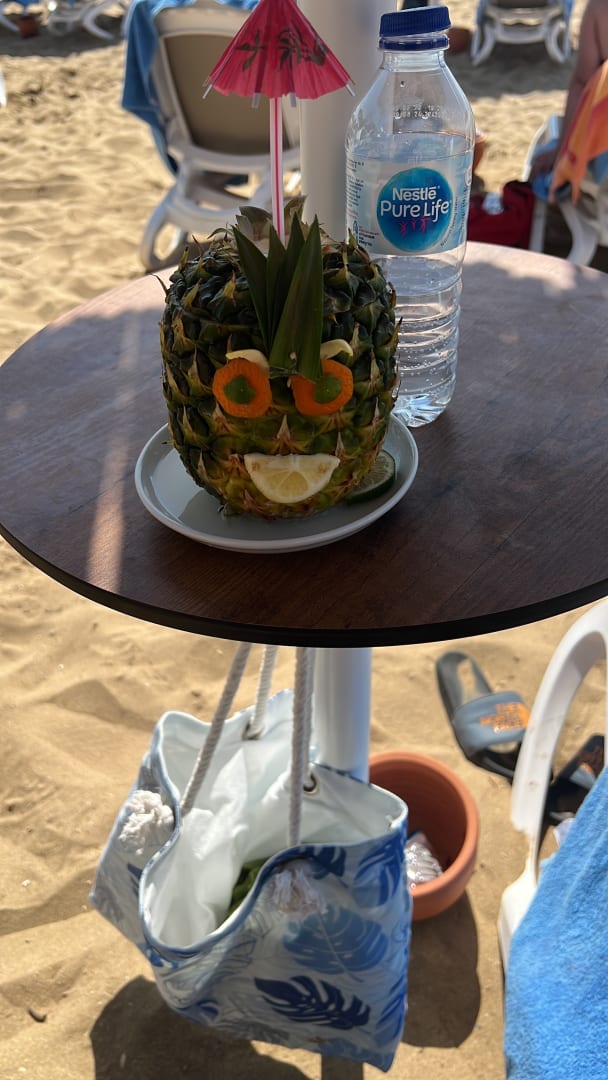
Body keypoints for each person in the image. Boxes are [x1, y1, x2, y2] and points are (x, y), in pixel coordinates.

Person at [529, 0, 608, 180]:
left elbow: (582, 83)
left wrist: (562, 153)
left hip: (602, 153)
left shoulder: (600, 7)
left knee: (542, 168)